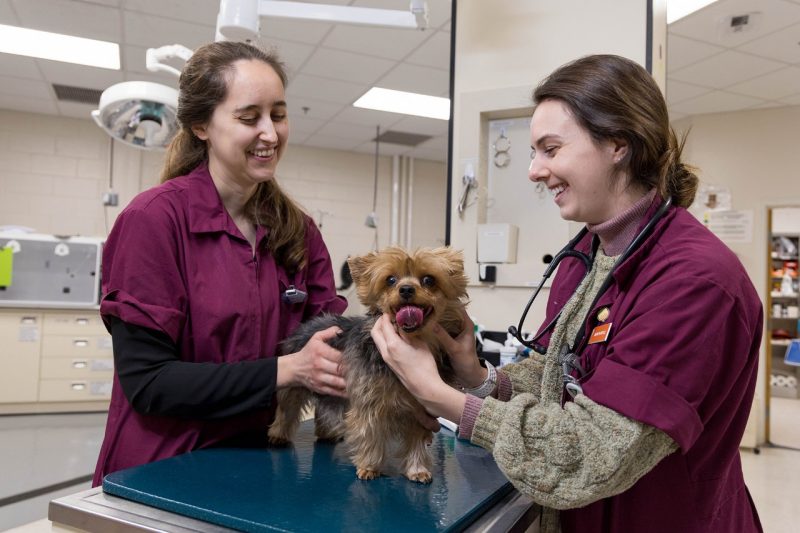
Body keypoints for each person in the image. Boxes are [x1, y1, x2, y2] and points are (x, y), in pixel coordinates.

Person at [371, 54, 763, 533]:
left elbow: (588, 456)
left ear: (618, 143)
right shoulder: (588, 253)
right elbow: (567, 374)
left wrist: (438, 395)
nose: (535, 171)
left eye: (550, 149)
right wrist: (479, 376)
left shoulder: (695, 283)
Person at [93, 41, 349, 486]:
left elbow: (330, 341)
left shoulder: (297, 231)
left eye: (279, 115)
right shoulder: (154, 221)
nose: (270, 133)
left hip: (259, 464)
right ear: (200, 125)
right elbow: (150, 382)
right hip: (161, 468)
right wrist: (288, 369)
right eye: (249, 118)